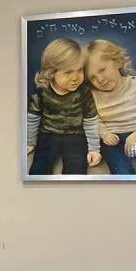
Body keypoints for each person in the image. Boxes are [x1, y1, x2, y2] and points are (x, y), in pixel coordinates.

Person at [27, 38, 102, 175]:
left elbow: (91, 120)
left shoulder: (84, 91)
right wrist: (30, 142)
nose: (75, 77)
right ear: (51, 72)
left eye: (79, 70)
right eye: (68, 72)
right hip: (48, 135)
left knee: (77, 168)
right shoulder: (42, 89)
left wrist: (94, 149)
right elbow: (33, 117)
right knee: (39, 168)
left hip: (76, 136)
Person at [85, 39, 136, 175]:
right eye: (93, 77)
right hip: (113, 141)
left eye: (102, 70)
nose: (99, 79)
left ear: (118, 62)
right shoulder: (92, 95)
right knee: (121, 170)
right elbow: (92, 118)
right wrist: (105, 133)